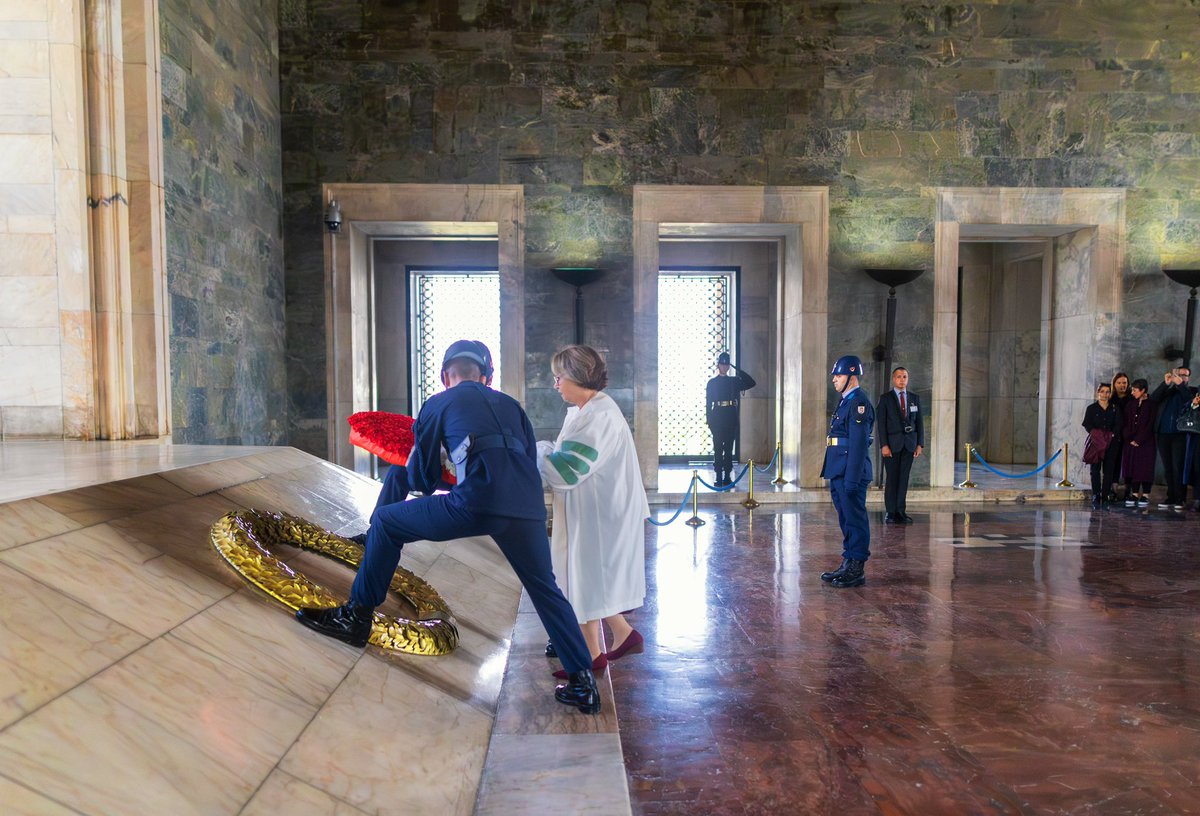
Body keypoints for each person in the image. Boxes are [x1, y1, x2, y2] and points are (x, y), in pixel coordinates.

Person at [295, 340, 602, 715]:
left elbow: (421, 478)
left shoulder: (437, 404)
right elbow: (521, 458)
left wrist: (441, 460)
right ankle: (583, 682)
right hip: (527, 507)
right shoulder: (512, 407)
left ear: (444, 377)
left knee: (390, 522)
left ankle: (355, 616)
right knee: (544, 588)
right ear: (487, 378)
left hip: (475, 503)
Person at [537, 345, 649, 678]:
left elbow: (566, 470)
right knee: (583, 580)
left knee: (582, 580)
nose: (556, 385)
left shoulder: (599, 416)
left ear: (576, 376)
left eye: (559, 378)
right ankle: (621, 636)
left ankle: (590, 656)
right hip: (592, 509)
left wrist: (535, 451)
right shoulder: (585, 409)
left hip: (601, 514)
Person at [819, 355, 875, 589]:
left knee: (855, 519)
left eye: (839, 375)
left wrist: (852, 478)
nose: (834, 379)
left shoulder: (858, 403)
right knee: (846, 519)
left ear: (852, 377)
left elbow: (858, 444)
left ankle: (857, 568)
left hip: (850, 473)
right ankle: (848, 561)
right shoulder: (846, 401)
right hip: (839, 470)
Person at [875, 366, 924, 524]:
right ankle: (890, 512)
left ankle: (900, 511)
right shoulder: (886, 399)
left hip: (909, 445)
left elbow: (920, 422)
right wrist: (884, 445)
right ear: (893, 379)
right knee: (892, 479)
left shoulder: (914, 398)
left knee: (904, 479)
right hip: (891, 445)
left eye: (904, 377)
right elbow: (881, 424)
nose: (902, 380)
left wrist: (920, 444)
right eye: (898, 377)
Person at [705, 352, 756, 486]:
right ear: (718, 365)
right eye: (722, 364)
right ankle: (718, 476)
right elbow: (708, 403)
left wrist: (738, 370)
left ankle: (727, 475)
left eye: (726, 364)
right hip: (717, 417)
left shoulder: (734, 381)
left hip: (730, 417)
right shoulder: (712, 383)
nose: (724, 367)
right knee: (718, 448)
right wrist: (709, 421)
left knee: (728, 448)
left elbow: (751, 382)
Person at [1150, 367, 1195, 510]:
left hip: (1180, 435)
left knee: (1178, 467)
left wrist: (1181, 385)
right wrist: (1165, 383)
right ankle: (1171, 497)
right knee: (1168, 467)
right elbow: (1154, 399)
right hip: (1163, 434)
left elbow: (1190, 402)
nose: (1181, 377)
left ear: (1188, 378)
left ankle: (1180, 498)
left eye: (1184, 375)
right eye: (1179, 374)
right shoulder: (1169, 392)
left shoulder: (1190, 391)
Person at [1082, 382, 1122, 507]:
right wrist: (1097, 435)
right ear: (1098, 392)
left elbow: (1119, 425)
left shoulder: (1115, 408)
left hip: (1111, 443)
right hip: (1096, 443)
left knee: (1108, 470)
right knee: (1095, 470)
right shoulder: (1091, 408)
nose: (1105, 394)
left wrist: (1111, 436)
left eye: (1107, 392)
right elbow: (1087, 424)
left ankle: (1105, 495)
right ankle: (1096, 494)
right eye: (1102, 391)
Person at [1119, 378, 1157, 507]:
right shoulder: (1130, 404)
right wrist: (1129, 439)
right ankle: (1134, 493)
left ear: (1143, 390)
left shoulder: (1152, 404)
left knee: (1145, 467)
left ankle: (1145, 494)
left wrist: (1139, 439)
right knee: (1133, 467)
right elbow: (1125, 422)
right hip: (1130, 442)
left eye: (1135, 390)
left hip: (1146, 442)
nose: (1132, 392)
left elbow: (1150, 424)